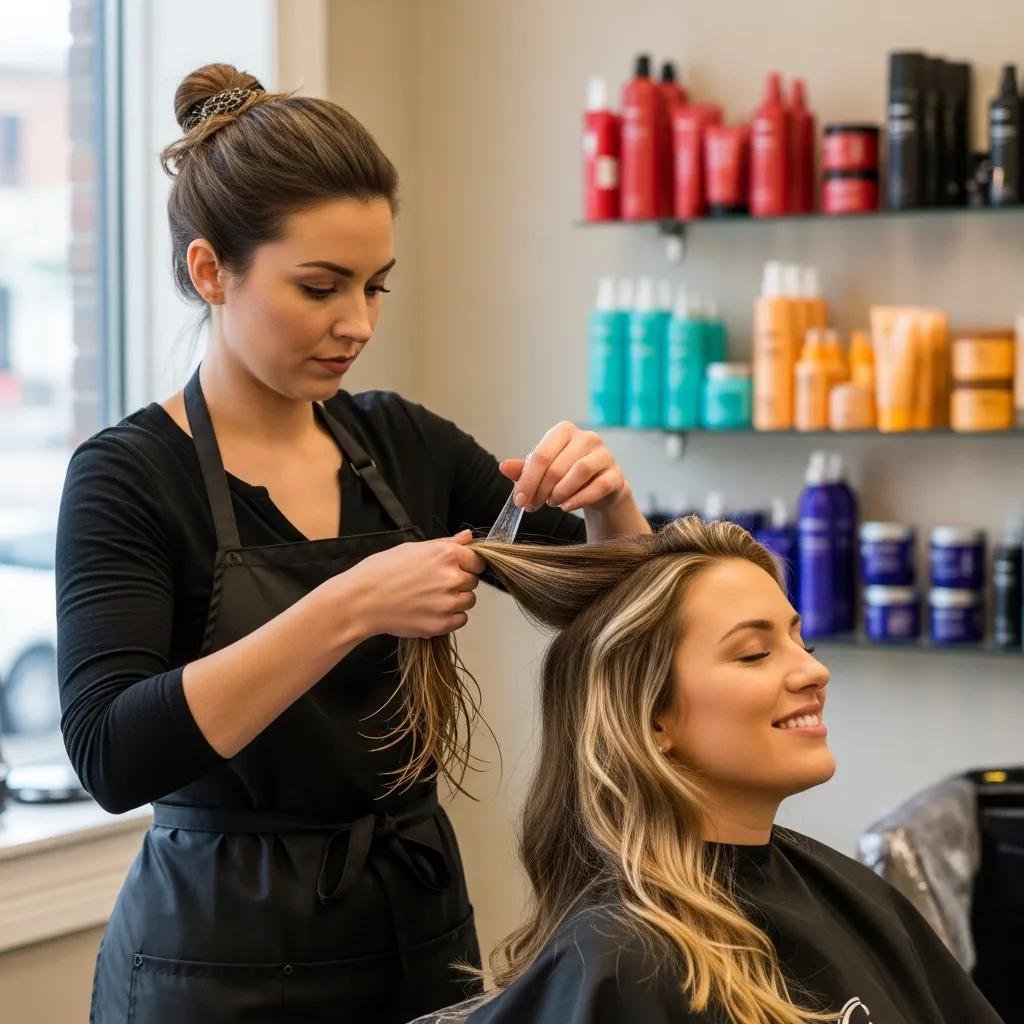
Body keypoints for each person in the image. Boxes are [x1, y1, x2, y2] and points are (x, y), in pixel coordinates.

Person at [55, 63, 649, 1024]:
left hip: (415, 933)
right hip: (215, 957)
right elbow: (112, 752)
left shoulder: (399, 442)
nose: (358, 324)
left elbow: (614, 609)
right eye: (321, 287)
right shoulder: (129, 476)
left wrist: (608, 508)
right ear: (212, 271)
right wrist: (351, 605)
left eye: (375, 286)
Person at [403, 517, 1003, 1024]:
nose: (813, 673)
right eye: (754, 653)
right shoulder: (624, 959)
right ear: (652, 718)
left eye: (802, 642)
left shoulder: (847, 893)